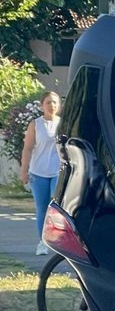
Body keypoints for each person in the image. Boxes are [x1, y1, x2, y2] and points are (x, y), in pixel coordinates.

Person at [19, 91, 61, 256]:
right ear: (42, 105)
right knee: (42, 207)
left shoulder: (63, 124)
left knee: (56, 206)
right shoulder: (35, 124)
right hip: (39, 172)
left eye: (55, 102)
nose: (52, 106)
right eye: (49, 102)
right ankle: (42, 242)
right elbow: (28, 148)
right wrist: (24, 171)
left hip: (57, 171)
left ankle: (59, 241)